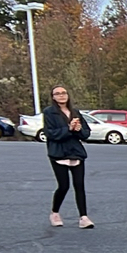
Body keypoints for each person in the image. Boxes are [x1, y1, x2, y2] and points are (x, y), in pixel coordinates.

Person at [43, 86, 94, 228]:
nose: (61, 95)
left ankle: (84, 218)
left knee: (79, 185)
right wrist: (68, 129)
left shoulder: (75, 112)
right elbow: (50, 134)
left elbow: (86, 133)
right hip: (58, 153)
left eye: (64, 93)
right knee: (63, 186)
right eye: (57, 94)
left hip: (75, 152)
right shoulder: (49, 112)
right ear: (53, 97)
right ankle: (55, 213)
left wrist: (78, 130)